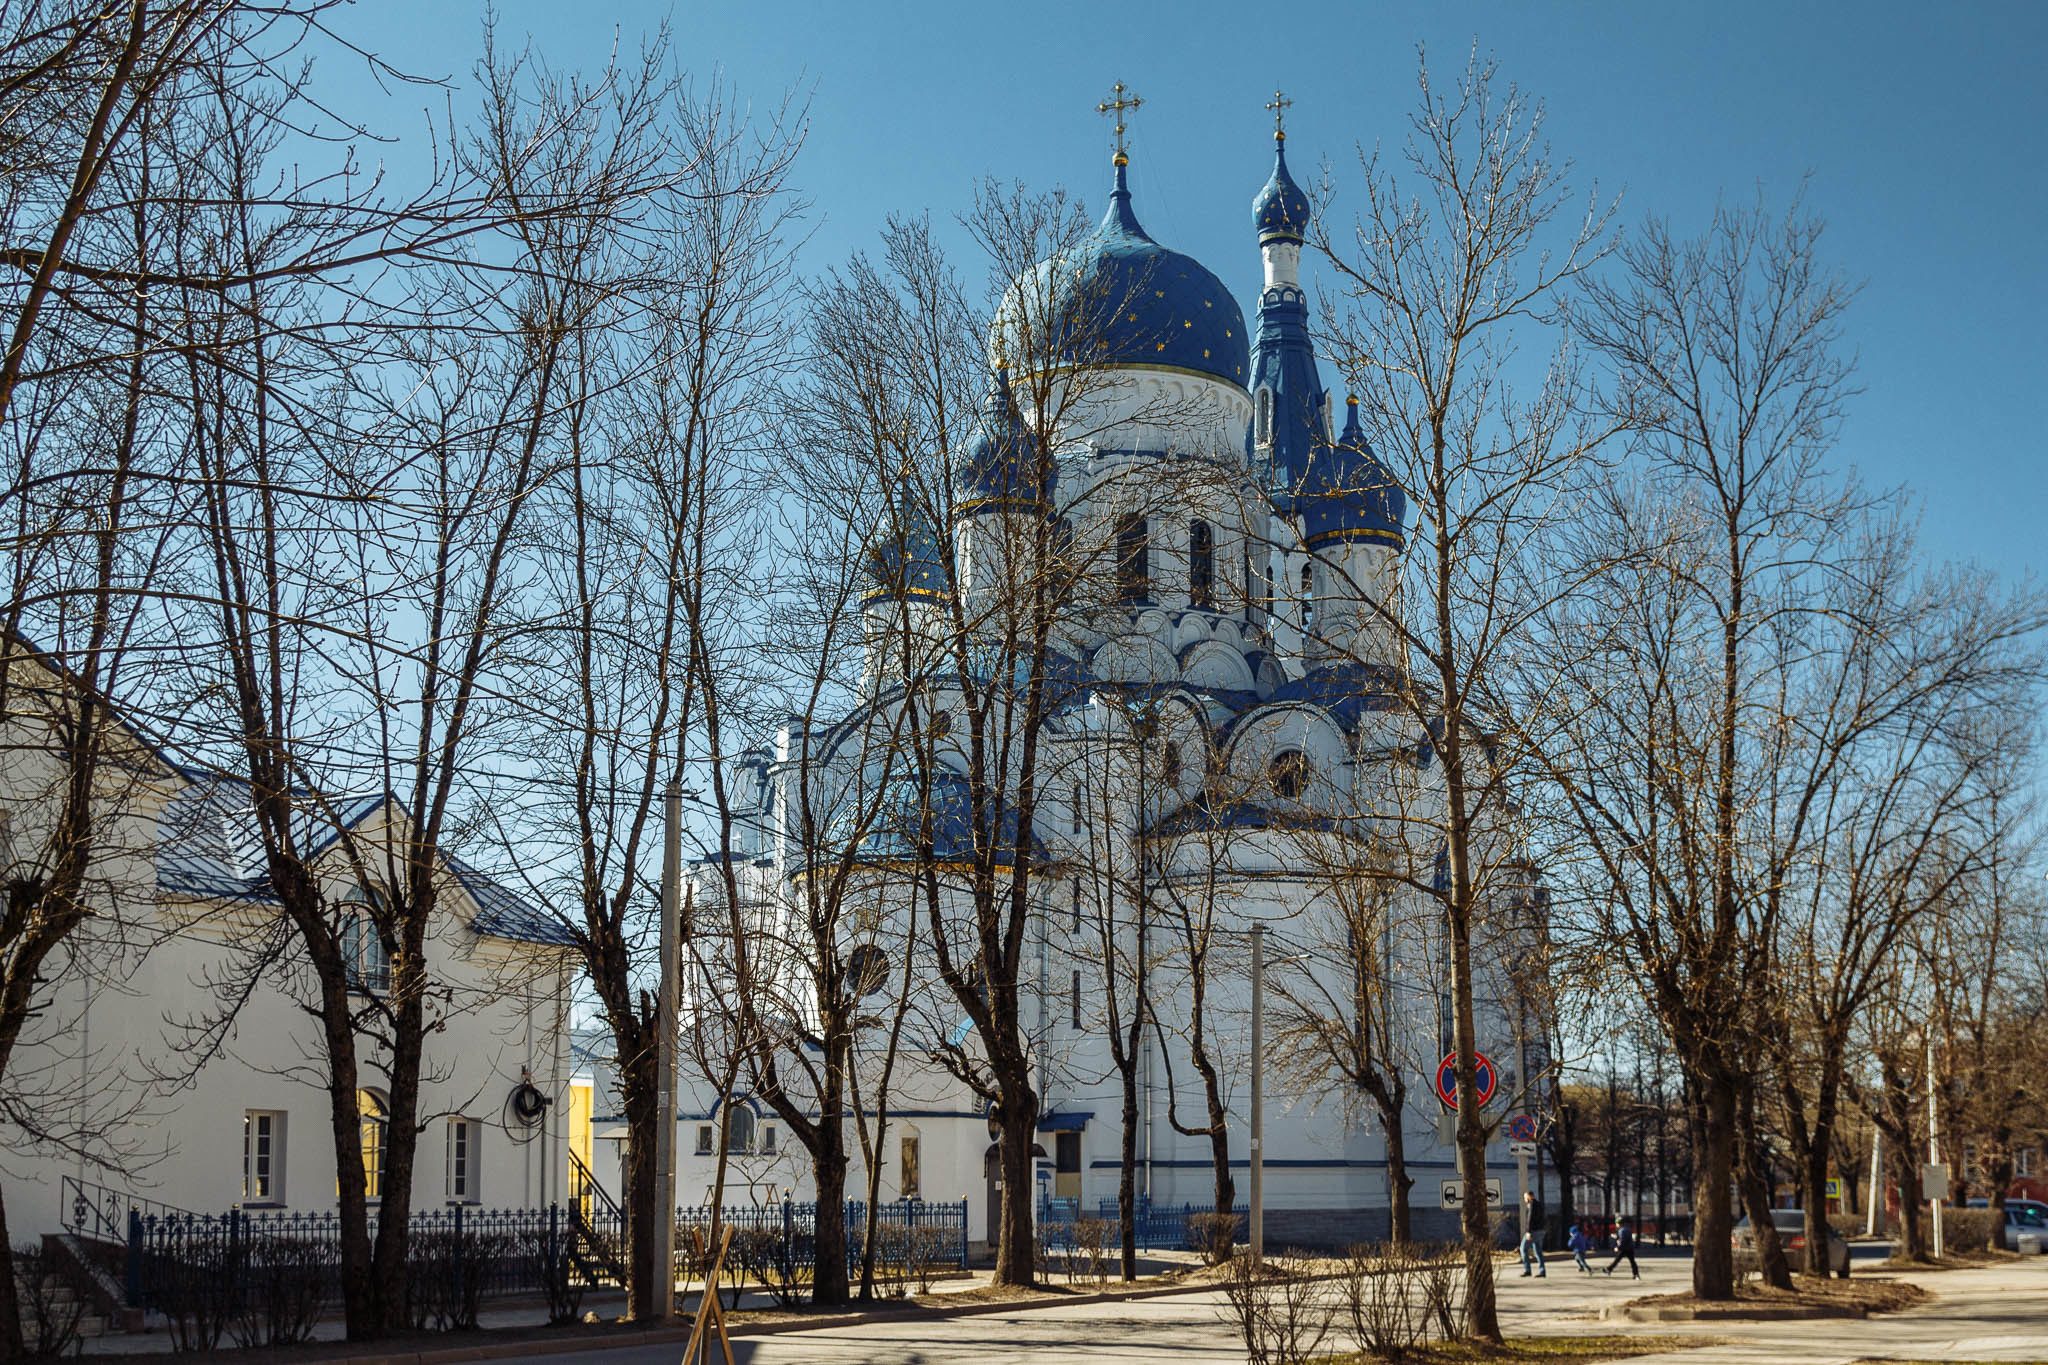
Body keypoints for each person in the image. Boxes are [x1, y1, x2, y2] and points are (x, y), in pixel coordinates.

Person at [1518, 1191, 1547, 1277]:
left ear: (1529, 1197)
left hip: (1533, 1231)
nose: (1524, 1199)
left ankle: (1527, 1270)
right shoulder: (1540, 1204)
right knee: (1538, 1251)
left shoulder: (1531, 1204)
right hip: (1541, 1230)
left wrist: (1528, 1232)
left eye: (1525, 1197)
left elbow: (1530, 1219)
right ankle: (1542, 1271)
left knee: (1523, 1248)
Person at [1603, 1215, 1640, 1280]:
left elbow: (1622, 1240)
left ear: (1619, 1224)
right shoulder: (1627, 1229)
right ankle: (1636, 1274)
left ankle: (1609, 1269)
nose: (1616, 1225)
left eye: (1616, 1224)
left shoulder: (1621, 1230)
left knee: (1617, 1260)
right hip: (1630, 1248)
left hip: (1624, 1248)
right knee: (1631, 1262)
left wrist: (1618, 1247)